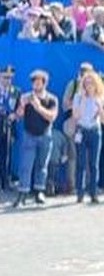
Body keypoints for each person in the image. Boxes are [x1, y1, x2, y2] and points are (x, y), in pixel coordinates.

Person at [11, 69, 59, 208]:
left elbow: (52, 117)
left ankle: (39, 192)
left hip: (45, 135)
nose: (36, 85)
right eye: (34, 82)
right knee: (25, 166)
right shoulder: (26, 97)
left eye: (39, 82)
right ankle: (22, 194)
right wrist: (22, 105)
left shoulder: (52, 99)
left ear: (44, 83)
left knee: (42, 165)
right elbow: (18, 116)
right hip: (29, 135)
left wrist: (38, 107)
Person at [71, 70, 104, 203]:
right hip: (81, 130)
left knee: (94, 163)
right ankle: (80, 193)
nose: (89, 86)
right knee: (81, 163)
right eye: (86, 83)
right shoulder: (78, 97)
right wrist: (82, 99)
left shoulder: (102, 97)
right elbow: (76, 116)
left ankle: (93, 192)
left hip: (95, 131)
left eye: (91, 83)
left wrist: (100, 109)